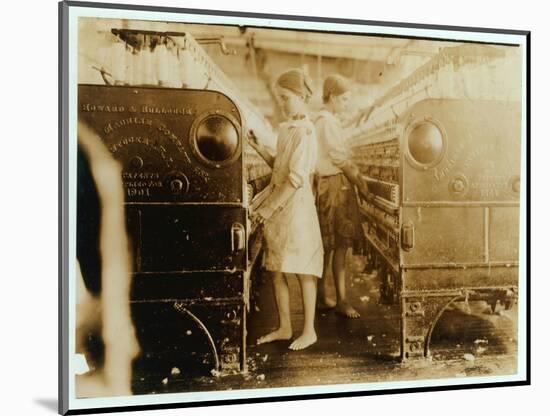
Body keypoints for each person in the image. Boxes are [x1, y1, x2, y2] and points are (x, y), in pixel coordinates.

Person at [247, 68, 323, 351]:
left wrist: (268, 209)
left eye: (287, 98)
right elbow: (279, 168)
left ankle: (309, 330)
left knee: (303, 270)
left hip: (296, 210)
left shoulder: (305, 131)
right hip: (281, 207)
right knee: (276, 269)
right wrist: (257, 147)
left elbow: (295, 179)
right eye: (281, 98)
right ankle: (284, 326)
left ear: (302, 96)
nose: (283, 103)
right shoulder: (287, 128)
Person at [314, 74, 369, 319]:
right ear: (333, 97)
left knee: (329, 245)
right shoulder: (327, 122)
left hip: (327, 186)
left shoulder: (323, 121)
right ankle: (341, 300)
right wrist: (358, 178)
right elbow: (338, 156)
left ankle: (321, 296)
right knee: (339, 245)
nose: (347, 103)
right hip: (335, 187)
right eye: (345, 99)